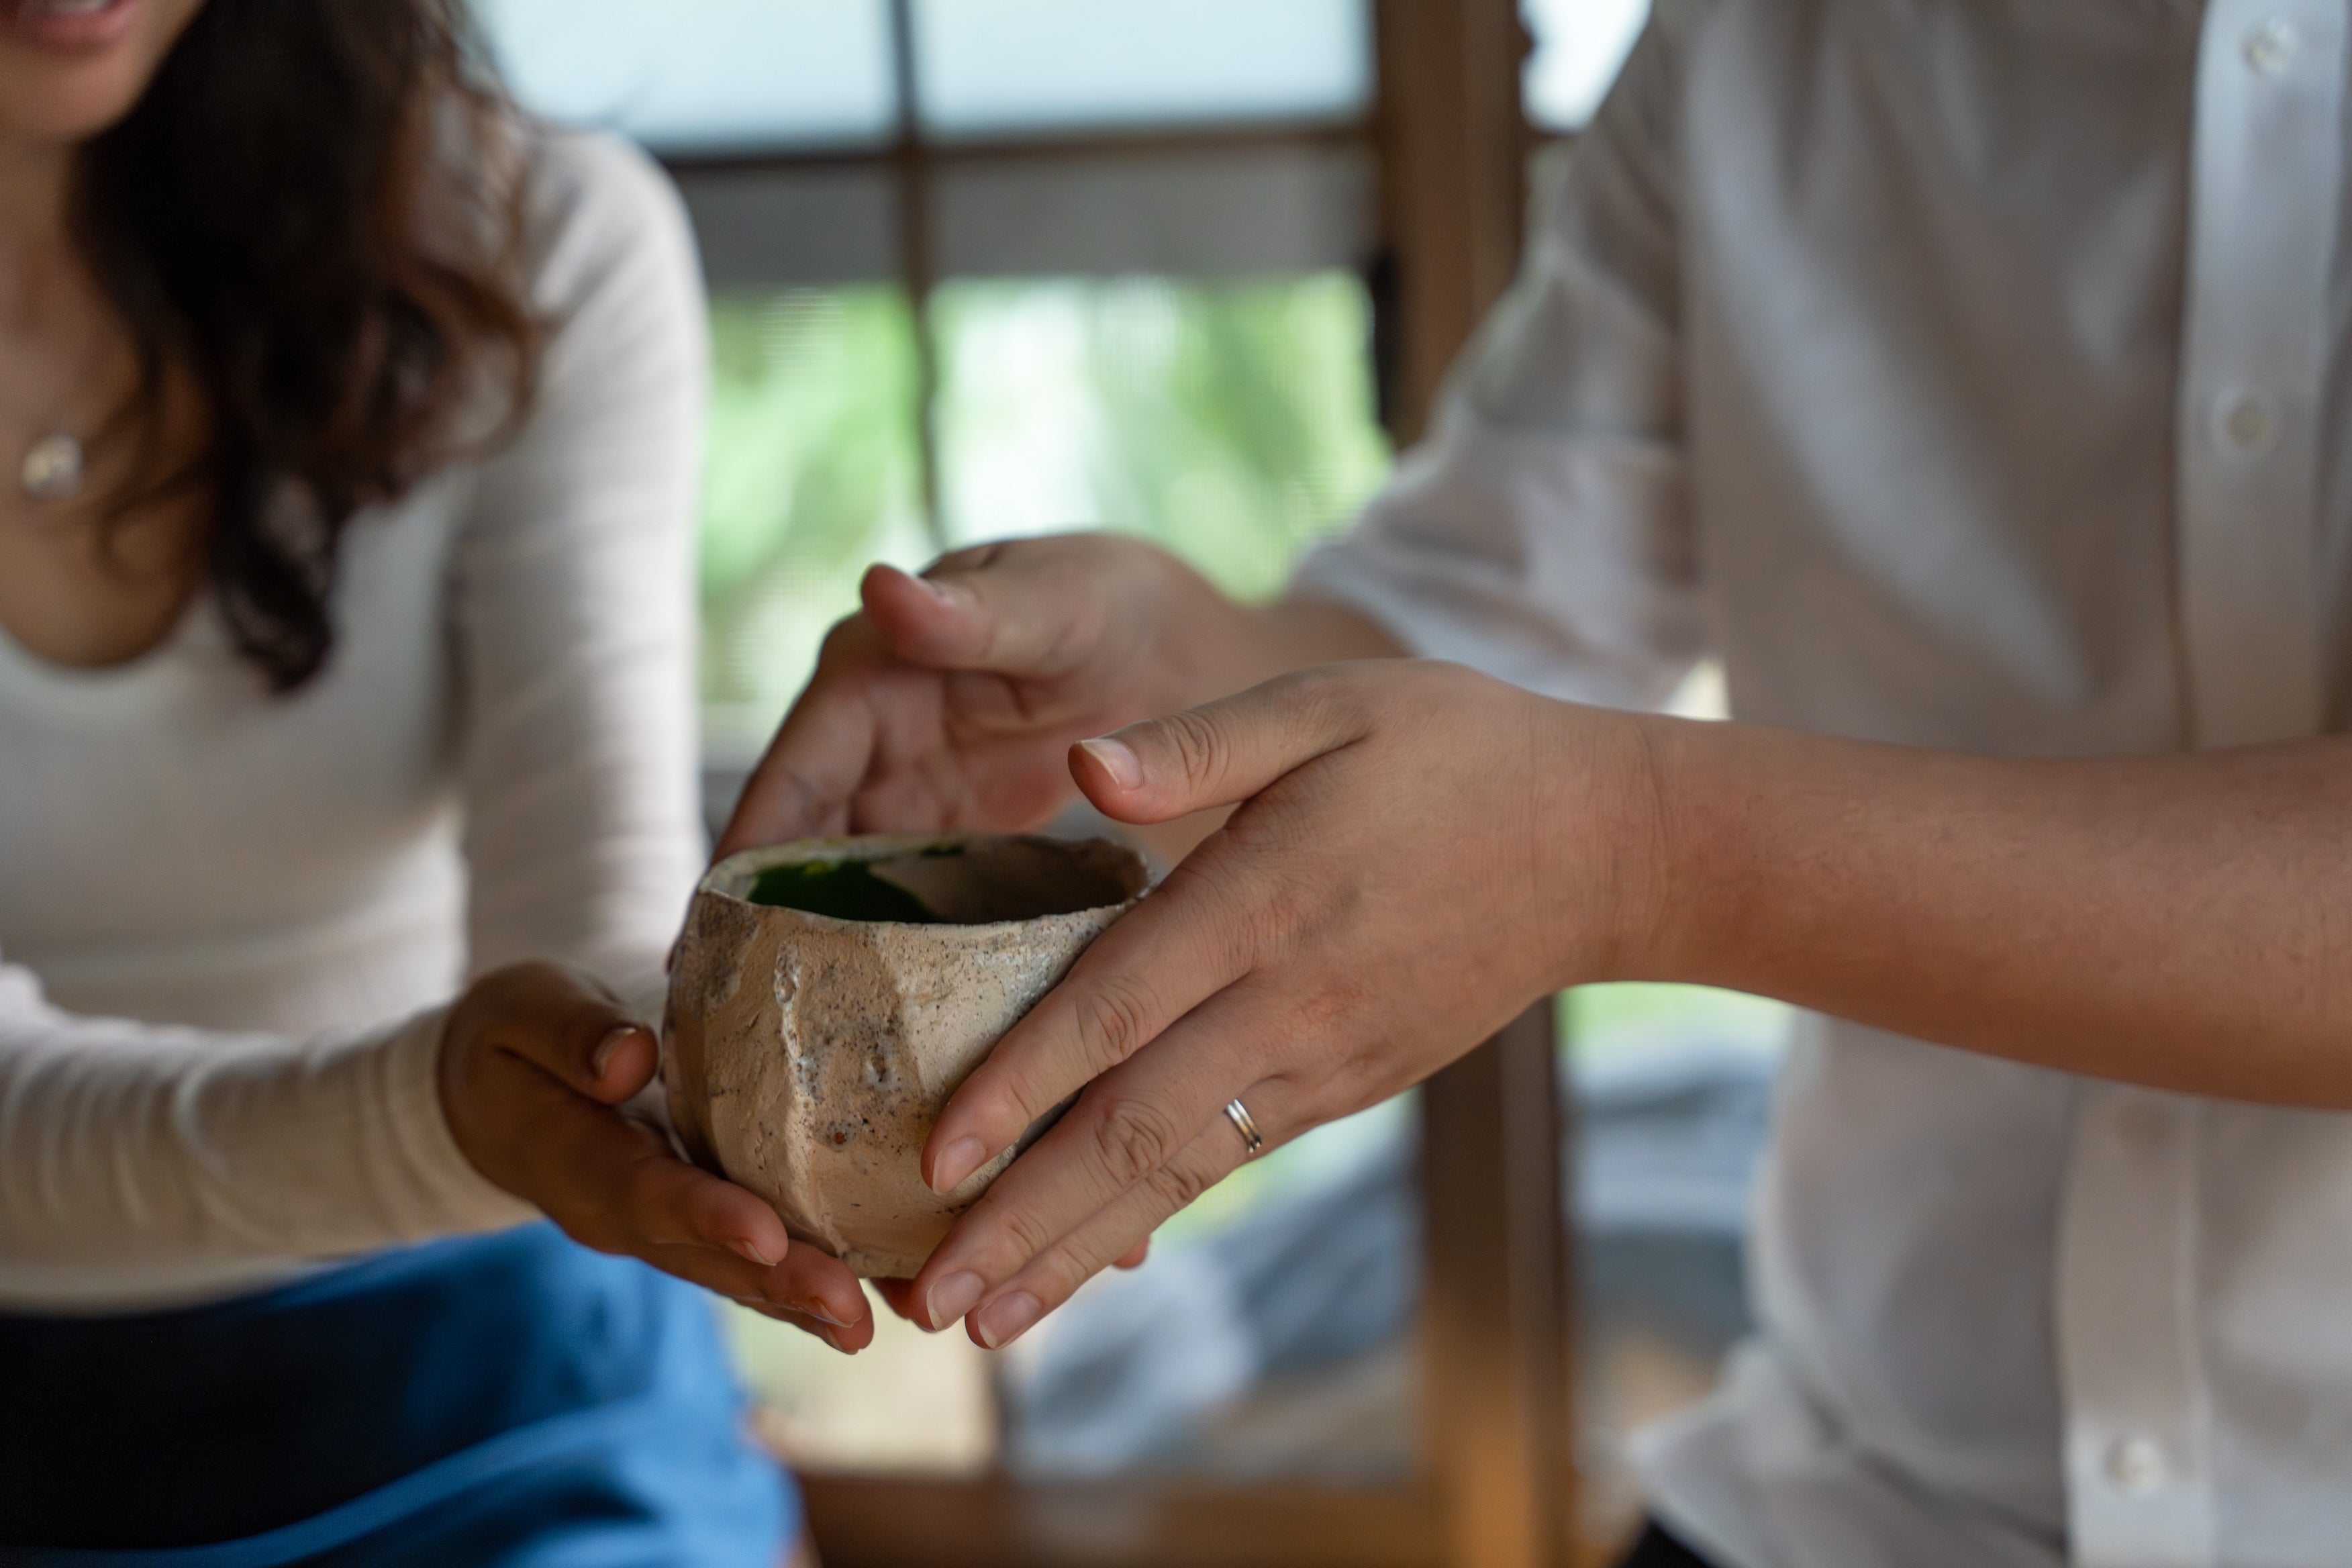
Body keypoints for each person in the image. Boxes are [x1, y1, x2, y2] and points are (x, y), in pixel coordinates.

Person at [726, 3, 2352, 1566]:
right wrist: (1184, 690)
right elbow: (1494, 610)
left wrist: (1630, 848)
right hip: (1865, 1486)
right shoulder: (1762, 42)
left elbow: (1582, 801)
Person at [0, 0, 865, 1559]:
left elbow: (592, 913)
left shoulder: (524, 245)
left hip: (506, 1342)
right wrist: (447, 1115)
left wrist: (662, 1092)